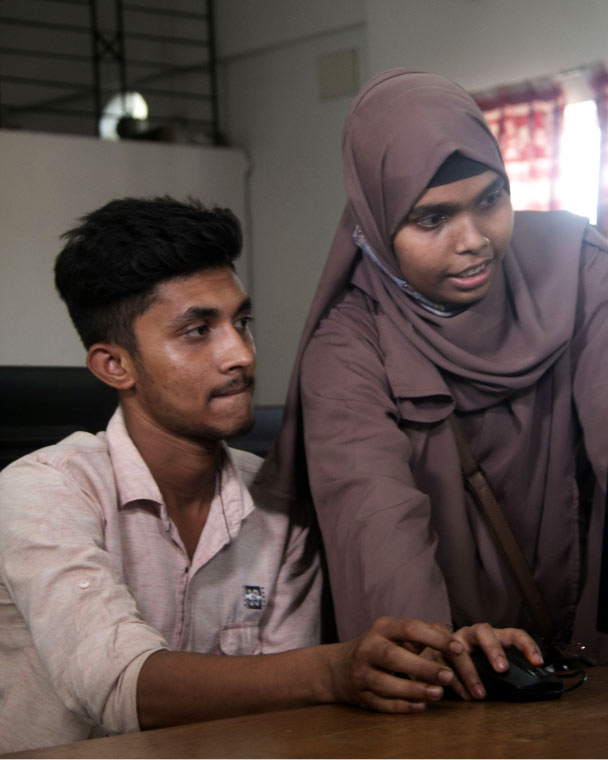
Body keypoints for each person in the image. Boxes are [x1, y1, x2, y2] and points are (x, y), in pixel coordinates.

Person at [0, 197, 540, 753]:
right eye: (197, 331)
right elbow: (117, 685)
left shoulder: (277, 500)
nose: (240, 354)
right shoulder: (42, 491)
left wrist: (434, 659)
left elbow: (285, 712)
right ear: (115, 365)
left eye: (242, 322)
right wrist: (332, 671)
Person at [259, 69, 608, 666]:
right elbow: (378, 527)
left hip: (603, 651)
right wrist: (438, 657)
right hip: (464, 676)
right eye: (431, 219)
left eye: (490, 200)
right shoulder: (348, 347)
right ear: (377, 224)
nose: (473, 239)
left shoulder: (577, 270)